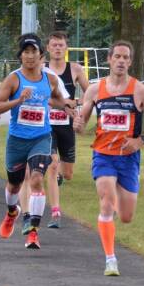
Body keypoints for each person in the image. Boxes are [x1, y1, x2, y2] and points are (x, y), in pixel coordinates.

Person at [73, 40, 144, 276]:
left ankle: (113, 213)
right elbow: (82, 122)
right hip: (103, 154)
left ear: (130, 62)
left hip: (128, 158)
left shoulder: (140, 91)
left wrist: (140, 141)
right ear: (109, 59)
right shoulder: (95, 90)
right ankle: (110, 259)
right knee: (106, 200)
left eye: (126, 58)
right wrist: (77, 124)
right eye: (118, 57)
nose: (122, 61)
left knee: (126, 216)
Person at [0, 33, 73, 250]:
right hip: (17, 140)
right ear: (20, 56)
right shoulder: (14, 79)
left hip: (41, 137)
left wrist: (65, 107)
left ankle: (33, 230)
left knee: (36, 178)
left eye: (33, 52)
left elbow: (56, 99)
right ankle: (12, 212)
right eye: (25, 52)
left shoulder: (50, 79)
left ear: (40, 55)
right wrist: (19, 100)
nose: (29, 56)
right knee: (14, 185)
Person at [43, 31, 90, 228]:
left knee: (68, 172)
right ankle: (55, 211)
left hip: (67, 125)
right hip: (47, 125)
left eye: (61, 45)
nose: (57, 48)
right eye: (54, 45)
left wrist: (76, 103)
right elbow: (39, 97)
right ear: (47, 48)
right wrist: (58, 103)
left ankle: (60, 175)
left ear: (66, 48)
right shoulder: (42, 70)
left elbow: (91, 94)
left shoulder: (76, 69)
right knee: (53, 164)